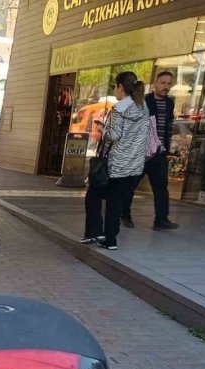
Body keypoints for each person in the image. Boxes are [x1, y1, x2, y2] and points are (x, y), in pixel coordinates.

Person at [81, 71, 149, 251]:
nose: (115, 91)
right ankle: (111, 240)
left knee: (93, 196)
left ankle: (95, 232)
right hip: (133, 165)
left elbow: (114, 135)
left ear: (120, 87)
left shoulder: (119, 110)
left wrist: (103, 128)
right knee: (116, 202)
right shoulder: (143, 108)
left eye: (115, 87)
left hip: (115, 165)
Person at [121, 70, 179, 231]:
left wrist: (166, 148)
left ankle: (161, 220)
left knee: (161, 187)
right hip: (142, 152)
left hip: (159, 153)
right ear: (155, 84)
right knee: (131, 185)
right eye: (163, 83)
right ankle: (124, 215)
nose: (166, 86)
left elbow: (168, 127)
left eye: (168, 84)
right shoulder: (144, 101)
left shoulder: (169, 103)